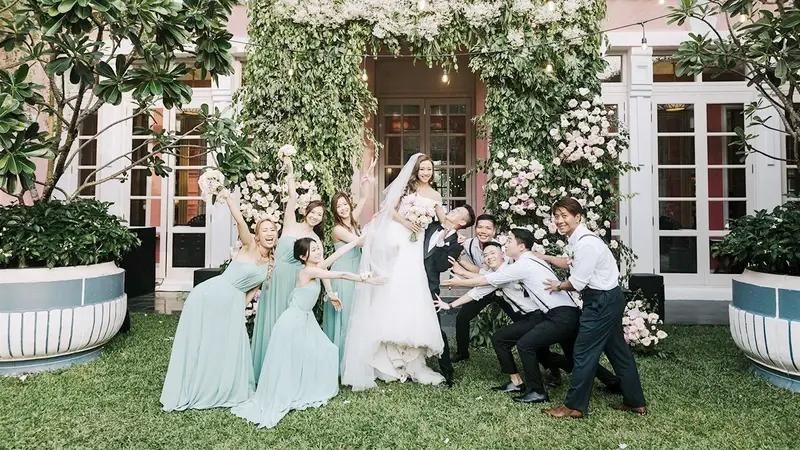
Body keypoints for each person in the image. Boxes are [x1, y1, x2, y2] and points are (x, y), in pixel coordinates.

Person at [231, 238, 382, 428]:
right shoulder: (307, 271)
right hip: (293, 322)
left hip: (305, 319)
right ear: (303, 256)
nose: (319, 251)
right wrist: (364, 278)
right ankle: (294, 390)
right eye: (313, 250)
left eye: (318, 248)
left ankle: (309, 386)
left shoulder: (316, 267)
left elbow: (336, 256)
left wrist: (356, 243)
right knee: (294, 359)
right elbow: (340, 273)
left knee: (326, 350)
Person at [342, 153, 452, 390]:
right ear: (416, 171)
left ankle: (411, 357)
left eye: (429, 169)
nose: (425, 172)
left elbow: (443, 218)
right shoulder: (406, 188)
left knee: (413, 289)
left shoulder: (434, 194)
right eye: (422, 169)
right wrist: (406, 222)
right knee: (394, 287)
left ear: (433, 172)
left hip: (416, 244)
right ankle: (388, 357)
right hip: (400, 239)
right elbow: (388, 210)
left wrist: (453, 225)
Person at [160, 189, 278, 411]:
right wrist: (230, 199)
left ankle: (219, 386)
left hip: (233, 304)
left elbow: (252, 290)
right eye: (265, 230)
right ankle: (194, 384)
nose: (269, 233)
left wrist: (240, 312)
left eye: (272, 230)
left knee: (226, 345)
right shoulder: (249, 245)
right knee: (204, 341)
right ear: (257, 235)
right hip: (211, 295)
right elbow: (241, 221)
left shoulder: (270, 264)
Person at [442, 228, 580, 403]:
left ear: (504, 255)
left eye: (493, 252)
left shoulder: (514, 267)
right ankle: (534, 380)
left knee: (513, 343)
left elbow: (485, 280)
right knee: (540, 352)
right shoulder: (506, 269)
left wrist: (460, 280)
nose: (488, 257)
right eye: (485, 255)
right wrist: (450, 303)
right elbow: (482, 285)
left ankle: (534, 386)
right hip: (542, 315)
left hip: (541, 315)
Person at [543, 197, 647, 419]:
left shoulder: (586, 244)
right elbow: (569, 261)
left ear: (578, 217)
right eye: (557, 216)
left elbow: (577, 283)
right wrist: (543, 256)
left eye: (564, 216)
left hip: (600, 301)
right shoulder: (579, 239)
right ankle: (635, 401)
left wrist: (558, 285)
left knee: (583, 352)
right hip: (609, 298)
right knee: (618, 351)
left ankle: (574, 407)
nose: (560, 220)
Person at [251, 156, 328, 381]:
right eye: (313, 211)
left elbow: (321, 268)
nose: (315, 216)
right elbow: (292, 197)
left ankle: (287, 374)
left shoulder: (315, 240)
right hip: (275, 279)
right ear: (307, 211)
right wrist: (291, 169)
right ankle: (265, 372)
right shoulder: (290, 224)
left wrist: (330, 291)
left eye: (320, 215)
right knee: (270, 322)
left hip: (295, 284)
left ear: (322, 219)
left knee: (288, 326)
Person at [323, 158, 376, 374]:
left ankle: (354, 360)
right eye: (339, 206)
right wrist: (378, 230)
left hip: (356, 271)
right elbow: (360, 242)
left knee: (356, 316)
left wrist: (367, 178)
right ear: (335, 210)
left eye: (345, 204)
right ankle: (340, 364)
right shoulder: (337, 229)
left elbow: (363, 198)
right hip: (342, 275)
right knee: (344, 318)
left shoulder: (352, 220)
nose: (343, 208)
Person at [448, 214, 522, 362]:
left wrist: (462, 274)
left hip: (503, 288)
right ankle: (462, 353)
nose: (483, 231)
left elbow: (491, 275)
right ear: (475, 229)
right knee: (462, 317)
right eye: (480, 227)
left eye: (488, 228)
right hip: (485, 286)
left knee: (521, 320)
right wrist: (457, 247)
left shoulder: (502, 248)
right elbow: (480, 271)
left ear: (494, 231)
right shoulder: (469, 244)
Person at [422, 202, 476, 385]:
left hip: (429, 286)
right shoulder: (429, 226)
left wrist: (444, 241)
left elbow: (440, 265)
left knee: (437, 328)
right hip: (409, 281)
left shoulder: (455, 245)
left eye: (458, 211)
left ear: (462, 221)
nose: (453, 209)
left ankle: (447, 370)